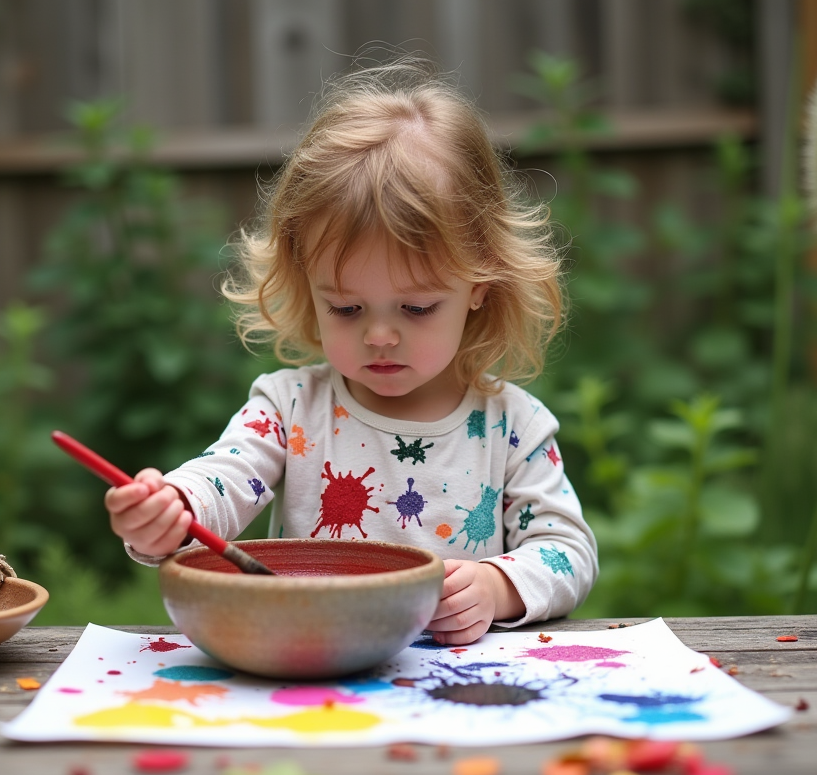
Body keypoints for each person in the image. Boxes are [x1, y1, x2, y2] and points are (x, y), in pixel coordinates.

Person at [105, 57, 597, 645]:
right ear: (304, 283)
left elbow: (567, 551)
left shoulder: (512, 426)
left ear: (479, 288)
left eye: (416, 308)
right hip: (311, 677)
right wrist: (174, 508)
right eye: (345, 308)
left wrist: (497, 585)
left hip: (455, 696)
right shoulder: (289, 409)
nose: (380, 336)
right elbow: (227, 477)